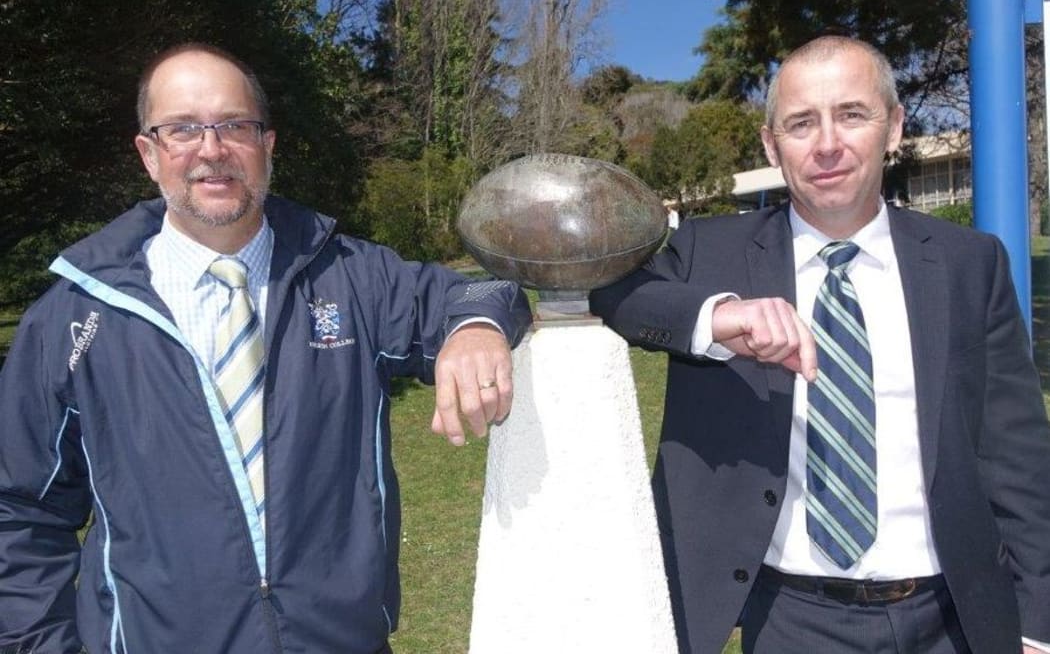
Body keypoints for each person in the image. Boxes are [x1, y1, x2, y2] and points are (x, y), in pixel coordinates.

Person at [0, 43, 531, 653]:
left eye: (235, 125)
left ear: (267, 145)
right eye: (182, 129)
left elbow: (490, 290)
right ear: (149, 154)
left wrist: (474, 329)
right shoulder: (74, 316)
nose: (211, 148)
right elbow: (20, 512)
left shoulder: (350, 276)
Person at [591, 35, 1050, 654]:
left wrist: (1035, 623)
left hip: (953, 616)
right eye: (801, 123)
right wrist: (720, 314)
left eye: (852, 115)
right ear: (770, 145)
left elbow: (1017, 455)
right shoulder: (710, 251)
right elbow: (615, 290)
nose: (827, 144)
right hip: (790, 618)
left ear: (893, 128)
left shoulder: (970, 263)